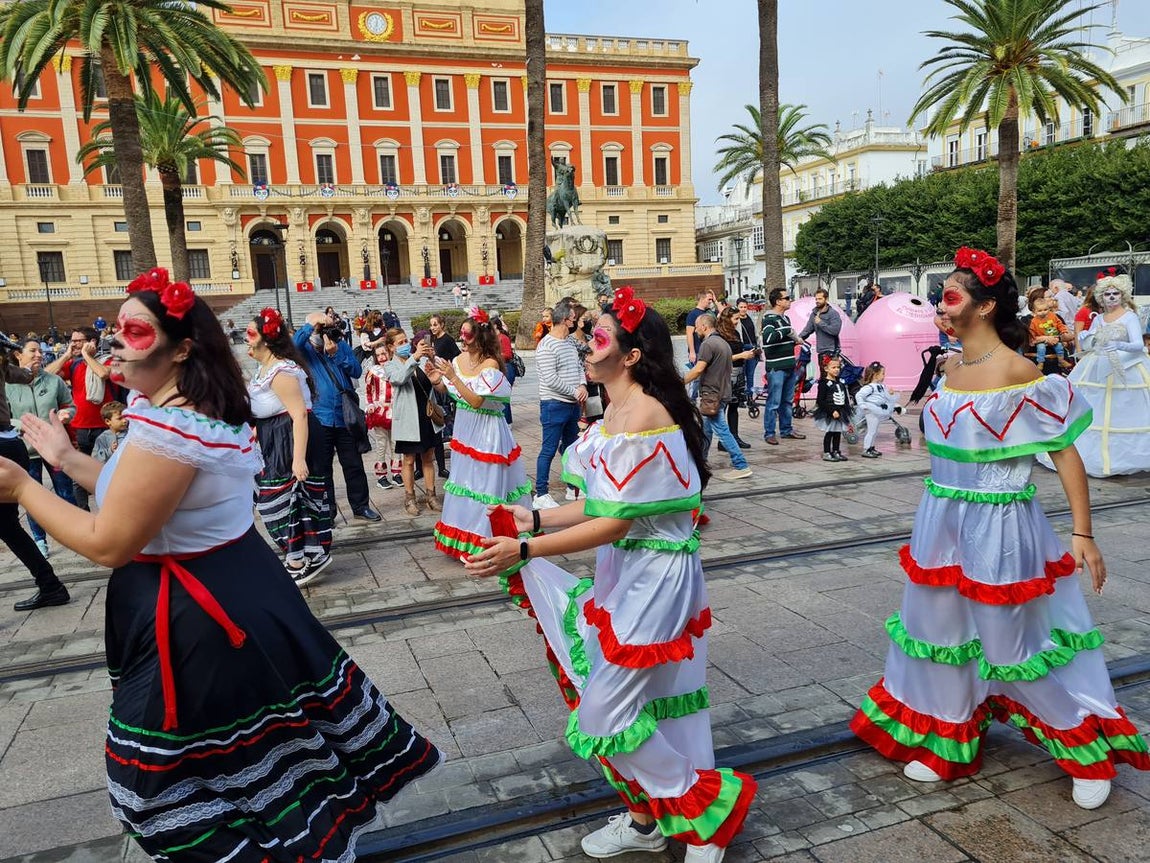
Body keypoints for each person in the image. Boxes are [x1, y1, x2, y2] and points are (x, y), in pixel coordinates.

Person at [4, 269, 442, 858]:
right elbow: (134, 488)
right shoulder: (183, 411)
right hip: (224, 592)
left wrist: (23, 489)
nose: (112, 343)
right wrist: (62, 457)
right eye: (117, 328)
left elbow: (110, 542)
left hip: (199, 616)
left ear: (182, 348)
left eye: (133, 332)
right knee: (246, 756)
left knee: (162, 784)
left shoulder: (171, 425)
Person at [850, 246, 1149, 811]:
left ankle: (1086, 752)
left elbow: (1065, 454)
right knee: (942, 638)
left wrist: (1082, 535)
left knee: (1010, 649)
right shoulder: (949, 366)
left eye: (953, 292)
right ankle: (951, 740)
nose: (942, 300)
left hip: (1001, 521)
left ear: (986, 306)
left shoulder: (1021, 370)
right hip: (941, 520)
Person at [463, 290, 756, 863]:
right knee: (642, 703)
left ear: (629, 356)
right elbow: (602, 504)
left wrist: (526, 545)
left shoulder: (645, 413)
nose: (584, 340)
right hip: (627, 570)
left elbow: (617, 522)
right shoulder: (615, 413)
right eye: (587, 331)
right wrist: (539, 517)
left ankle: (704, 813)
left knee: (606, 710)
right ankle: (648, 820)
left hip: (656, 575)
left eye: (598, 335)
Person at [427, 308, 530, 561]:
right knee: (465, 483)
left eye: (468, 335)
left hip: (487, 431)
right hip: (465, 429)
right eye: (461, 334)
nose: (463, 339)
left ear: (481, 337)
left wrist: (452, 377)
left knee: (487, 486)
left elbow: (475, 400)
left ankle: (488, 542)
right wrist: (436, 381)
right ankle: (466, 538)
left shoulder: (491, 364)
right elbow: (453, 393)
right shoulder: (460, 360)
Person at [248, 307, 333, 585]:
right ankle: (308, 555)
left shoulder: (282, 370)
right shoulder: (265, 368)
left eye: (250, 333)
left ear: (265, 338)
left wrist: (298, 459)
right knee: (280, 500)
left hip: (292, 437)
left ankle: (303, 558)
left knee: (290, 498)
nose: (246, 338)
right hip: (274, 438)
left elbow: (298, 414)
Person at [1036, 272, 1150, 477]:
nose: (1112, 297)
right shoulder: (1098, 319)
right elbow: (1091, 341)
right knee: (1093, 406)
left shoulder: (1130, 316)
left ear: (1123, 295)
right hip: (1098, 365)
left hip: (1128, 366)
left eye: (1116, 293)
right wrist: (1090, 340)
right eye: (1107, 294)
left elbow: (1138, 345)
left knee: (1126, 407)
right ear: (1100, 297)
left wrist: (1118, 345)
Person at [0, 342, 70, 610]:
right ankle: (50, 585)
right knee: (7, 526)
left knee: (7, 526)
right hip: (10, 442)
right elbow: (26, 374)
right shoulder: (5, 365)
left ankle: (50, 585)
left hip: (3, 445)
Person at [293, 310, 381, 522]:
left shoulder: (339, 344)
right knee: (322, 468)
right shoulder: (304, 349)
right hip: (320, 416)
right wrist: (311, 326)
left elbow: (356, 371)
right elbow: (292, 346)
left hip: (344, 415)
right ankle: (328, 510)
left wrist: (335, 354)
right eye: (320, 328)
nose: (324, 331)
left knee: (353, 464)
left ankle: (360, 506)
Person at [7, 338, 76, 558]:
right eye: (32, 351)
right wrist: (27, 426)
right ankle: (40, 540)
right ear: (18, 355)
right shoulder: (6, 385)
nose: (39, 354)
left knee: (65, 492)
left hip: (54, 448)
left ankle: (74, 534)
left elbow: (70, 405)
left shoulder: (54, 381)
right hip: (25, 451)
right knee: (32, 499)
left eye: (40, 351)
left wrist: (67, 414)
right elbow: (5, 419)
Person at [46, 326, 111, 510]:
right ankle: (84, 514)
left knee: (108, 474)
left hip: (106, 427)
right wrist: (67, 355)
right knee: (78, 475)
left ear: (92, 342)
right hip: (79, 428)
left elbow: (103, 374)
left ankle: (109, 513)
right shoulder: (73, 364)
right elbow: (46, 375)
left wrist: (87, 355)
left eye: (77, 340)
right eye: (72, 340)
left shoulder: (107, 359)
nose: (73, 344)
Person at [684, 313, 752, 481]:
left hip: (712, 394)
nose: (696, 330)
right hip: (721, 392)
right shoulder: (723, 342)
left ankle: (741, 465)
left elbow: (699, 369)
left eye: (698, 327)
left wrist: (680, 382)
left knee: (721, 430)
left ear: (705, 327)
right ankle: (701, 463)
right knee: (706, 430)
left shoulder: (708, 344)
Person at [533, 300, 588, 508]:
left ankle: (572, 487)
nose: (575, 322)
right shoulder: (546, 345)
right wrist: (575, 391)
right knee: (548, 449)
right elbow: (550, 378)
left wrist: (582, 384)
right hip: (553, 405)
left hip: (572, 404)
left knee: (571, 448)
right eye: (573, 319)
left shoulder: (570, 343)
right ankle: (541, 493)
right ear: (564, 320)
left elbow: (578, 366)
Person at [382, 328, 442, 516]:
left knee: (428, 456)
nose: (405, 344)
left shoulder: (421, 360)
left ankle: (431, 495)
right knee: (408, 459)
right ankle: (410, 498)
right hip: (409, 419)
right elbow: (399, 378)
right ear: (391, 347)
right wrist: (414, 358)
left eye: (405, 340)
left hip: (426, 415)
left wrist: (432, 361)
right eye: (400, 343)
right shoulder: (391, 366)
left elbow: (436, 380)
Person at [760, 287, 806, 446]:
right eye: (786, 298)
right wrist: (788, 331)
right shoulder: (769, 319)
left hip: (789, 365)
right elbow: (769, 339)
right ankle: (769, 433)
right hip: (777, 367)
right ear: (778, 301)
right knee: (774, 402)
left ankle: (786, 429)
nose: (789, 300)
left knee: (787, 400)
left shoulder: (785, 318)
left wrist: (794, 339)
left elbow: (783, 338)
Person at [715, 308, 755, 449]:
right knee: (723, 407)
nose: (738, 322)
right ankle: (723, 440)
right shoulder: (719, 335)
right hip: (727, 373)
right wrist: (741, 355)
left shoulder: (735, 333)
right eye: (736, 319)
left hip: (738, 372)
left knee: (734, 406)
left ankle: (734, 437)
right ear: (727, 319)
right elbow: (721, 357)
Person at [365, 343, 402, 490]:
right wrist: (370, 404)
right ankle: (381, 476)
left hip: (395, 411)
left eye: (384, 353)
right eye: (378, 354)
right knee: (381, 444)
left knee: (395, 444)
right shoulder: (373, 372)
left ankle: (396, 473)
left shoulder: (396, 369)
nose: (381, 357)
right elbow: (368, 391)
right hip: (380, 412)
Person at [429, 314, 461, 479]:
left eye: (435, 324)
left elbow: (457, 356)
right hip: (437, 381)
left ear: (442, 324)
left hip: (446, 380)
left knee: (448, 413)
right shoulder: (434, 341)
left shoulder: (447, 339)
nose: (433, 327)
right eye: (431, 325)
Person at [855, 362, 902, 458]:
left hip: (878, 409)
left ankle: (871, 447)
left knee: (875, 430)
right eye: (882, 374)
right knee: (871, 431)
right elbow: (859, 395)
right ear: (875, 375)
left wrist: (891, 394)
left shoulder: (881, 386)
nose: (884, 376)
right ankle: (866, 448)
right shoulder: (870, 387)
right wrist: (862, 405)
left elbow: (885, 397)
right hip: (871, 410)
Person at [813, 354, 854, 462]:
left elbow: (845, 398)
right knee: (830, 432)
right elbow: (820, 401)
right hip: (830, 411)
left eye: (838, 367)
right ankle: (827, 452)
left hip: (841, 411)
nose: (836, 370)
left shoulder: (840, 382)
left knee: (838, 432)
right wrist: (831, 411)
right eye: (833, 367)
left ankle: (836, 451)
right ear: (826, 369)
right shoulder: (823, 384)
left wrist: (846, 411)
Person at [684, 289, 716, 397]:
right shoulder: (693, 314)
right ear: (702, 299)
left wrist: (715, 301)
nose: (710, 302)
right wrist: (692, 351)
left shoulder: (708, 313)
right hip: (697, 351)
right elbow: (689, 334)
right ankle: (691, 400)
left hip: (707, 350)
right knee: (695, 379)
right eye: (709, 299)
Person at [1028, 296, 1071, 369]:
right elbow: (1031, 331)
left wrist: (1063, 331)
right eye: (1040, 310)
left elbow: (1059, 324)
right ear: (1034, 311)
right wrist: (1033, 339)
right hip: (1041, 340)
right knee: (1041, 348)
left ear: (1049, 309)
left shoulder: (1053, 315)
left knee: (1059, 347)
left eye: (1045, 309)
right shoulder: (1034, 321)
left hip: (1055, 337)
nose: (1043, 312)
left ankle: (1061, 360)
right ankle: (1040, 362)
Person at [799, 288, 843, 357]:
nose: (817, 301)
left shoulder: (833, 313)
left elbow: (835, 331)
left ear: (826, 299)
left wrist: (820, 323)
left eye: (820, 299)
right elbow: (807, 330)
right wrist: (797, 339)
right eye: (816, 299)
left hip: (832, 350)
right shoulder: (814, 314)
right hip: (821, 351)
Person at [490, 311, 517, 424]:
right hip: (498, 368)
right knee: (499, 396)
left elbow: (508, 354)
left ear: (495, 325)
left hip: (507, 368)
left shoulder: (503, 337)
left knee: (504, 396)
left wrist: (495, 355)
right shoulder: (492, 338)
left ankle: (507, 422)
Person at [735, 297, 761, 395]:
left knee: (750, 374)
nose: (743, 309)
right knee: (742, 374)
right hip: (742, 348)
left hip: (752, 348)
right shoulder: (736, 320)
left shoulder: (750, 318)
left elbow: (756, 333)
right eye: (741, 307)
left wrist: (758, 347)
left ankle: (749, 395)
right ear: (737, 307)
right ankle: (741, 395)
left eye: (745, 307)